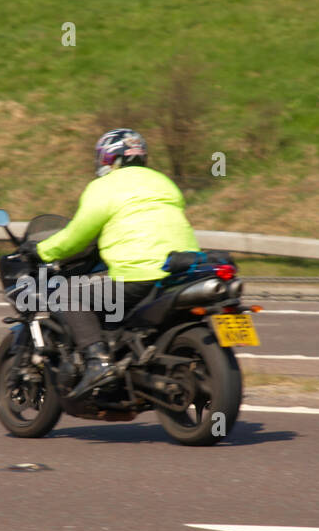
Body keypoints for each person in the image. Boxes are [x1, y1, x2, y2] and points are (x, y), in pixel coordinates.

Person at [21, 128, 200, 400]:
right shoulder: (164, 183)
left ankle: (98, 362)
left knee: (67, 294)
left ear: (109, 159)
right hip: (181, 269)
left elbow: (77, 235)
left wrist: (43, 251)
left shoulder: (104, 187)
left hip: (138, 273)